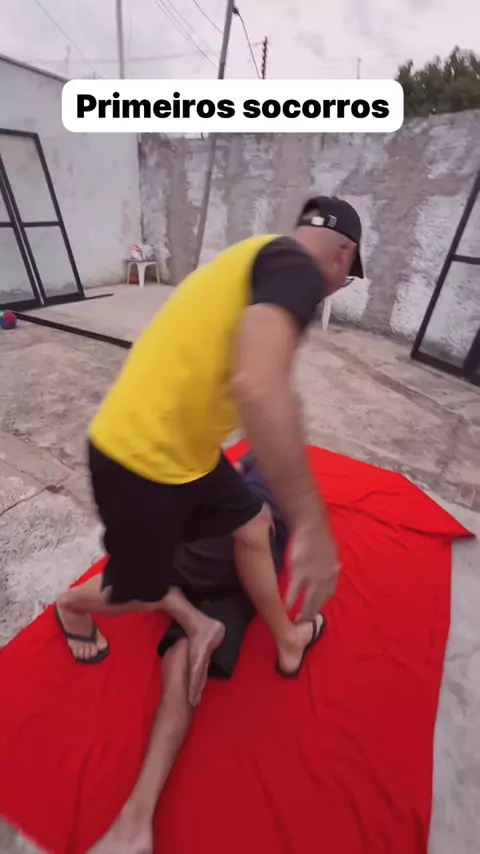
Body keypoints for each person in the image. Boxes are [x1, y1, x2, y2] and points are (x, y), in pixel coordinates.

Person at [54, 195, 363, 705]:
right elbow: (260, 387)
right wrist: (311, 524)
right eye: (347, 277)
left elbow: (250, 378)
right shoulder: (298, 269)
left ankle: (288, 639)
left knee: (254, 526)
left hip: (188, 453)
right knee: (140, 591)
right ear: (343, 256)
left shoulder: (262, 256)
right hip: (138, 458)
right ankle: (71, 606)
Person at [87, 452, 322, 854]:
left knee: (181, 646)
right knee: (183, 651)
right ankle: (136, 818)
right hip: (234, 563)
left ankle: (136, 818)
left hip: (219, 554)